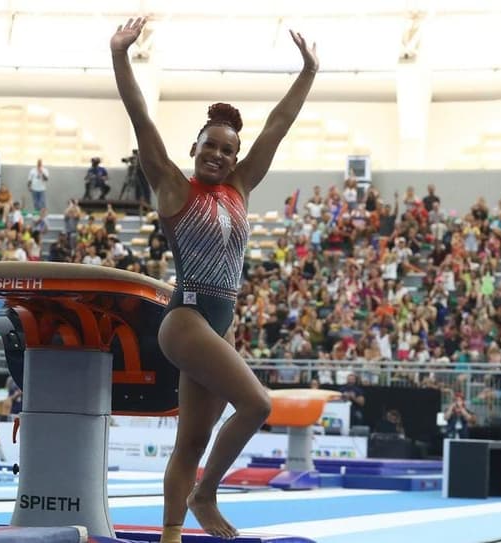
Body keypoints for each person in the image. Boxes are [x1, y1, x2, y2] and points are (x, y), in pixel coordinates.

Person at [111, 16, 317, 541]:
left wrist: (308, 72)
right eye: (211, 146)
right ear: (195, 148)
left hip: (218, 326)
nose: (220, 155)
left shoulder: (242, 186)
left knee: (190, 444)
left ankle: (171, 536)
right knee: (258, 404)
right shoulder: (174, 188)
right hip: (185, 320)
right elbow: (141, 120)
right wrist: (120, 56)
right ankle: (205, 494)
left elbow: (277, 125)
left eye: (229, 150)